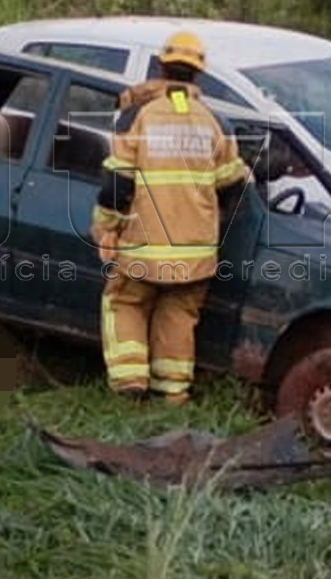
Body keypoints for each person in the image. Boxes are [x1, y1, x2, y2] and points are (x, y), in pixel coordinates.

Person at [90, 30, 250, 405]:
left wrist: (106, 227)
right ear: (199, 73)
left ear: (161, 66)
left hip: (143, 247)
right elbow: (233, 186)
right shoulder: (216, 122)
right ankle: (173, 393)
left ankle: (130, 387)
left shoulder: (136, 116)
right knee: (178, 315)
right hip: (195, 253)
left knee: (124, 302)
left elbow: (117, 184)